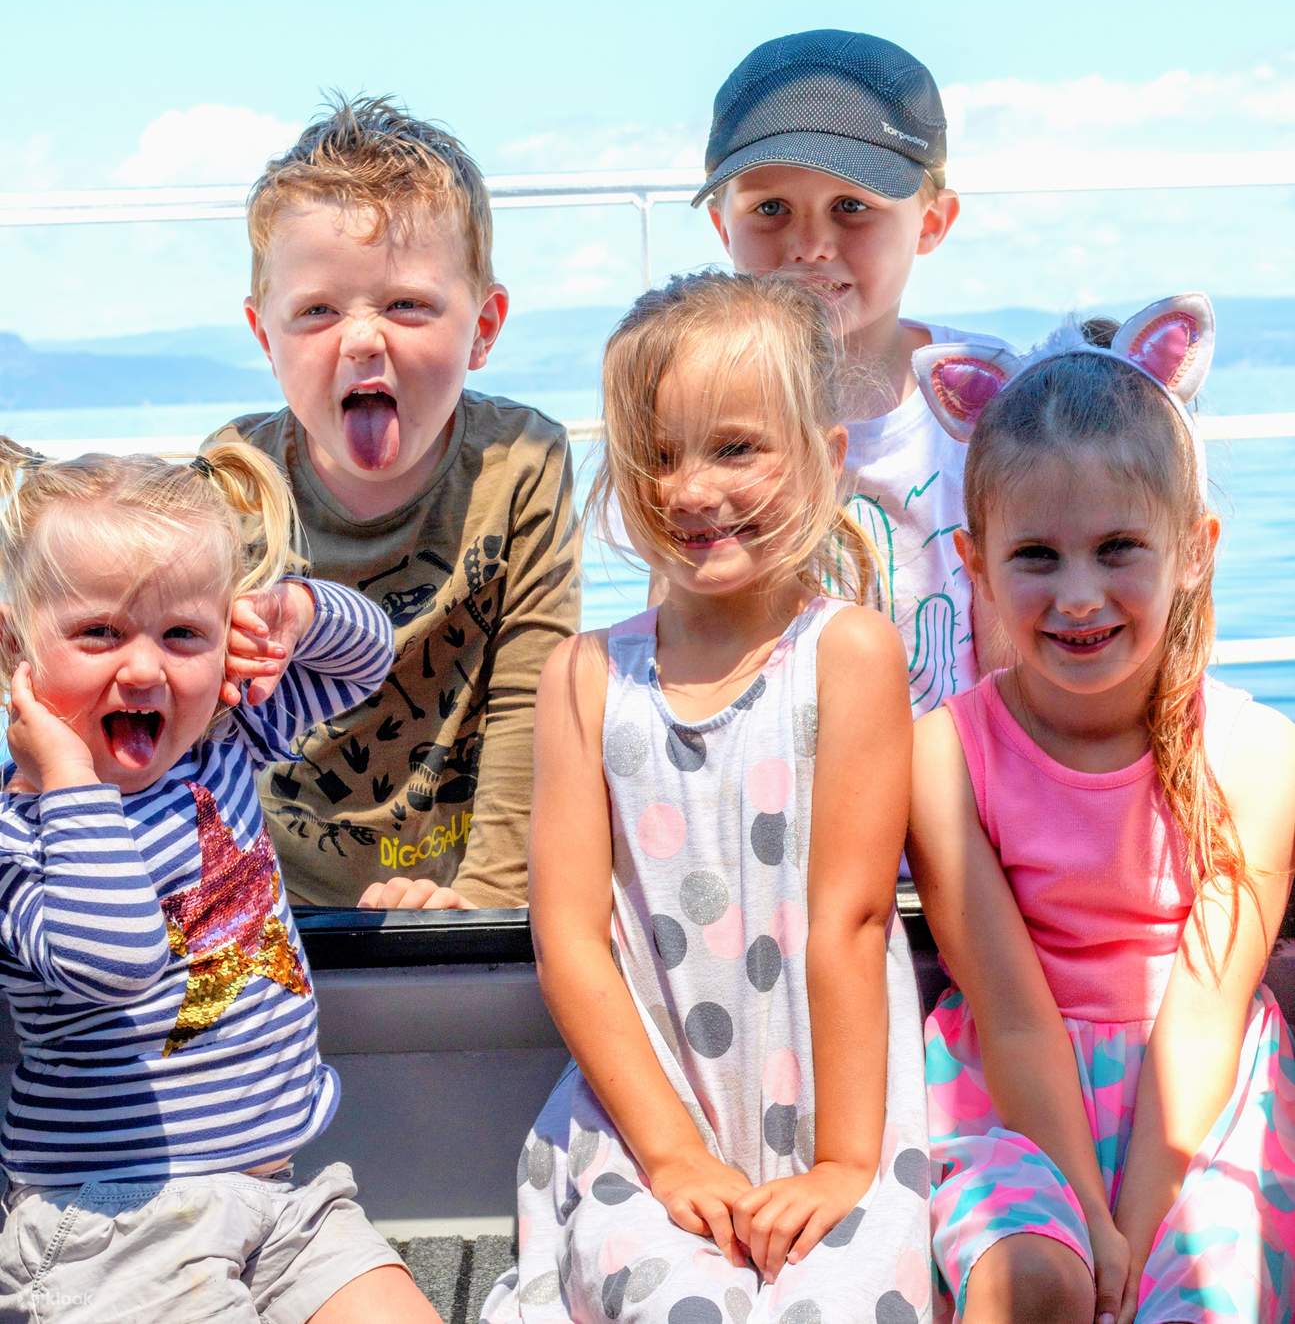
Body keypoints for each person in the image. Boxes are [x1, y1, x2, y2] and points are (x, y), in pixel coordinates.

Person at [483, 270, 932, 1323]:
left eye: (732, 448)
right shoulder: (582, 680)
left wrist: (842, 1161)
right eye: (657, 454)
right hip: (644, 1119)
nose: (688, 489)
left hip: (839, 1106)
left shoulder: (848, 654)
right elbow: (571, 941)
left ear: (823, 457)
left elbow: (849, 920)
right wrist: (675, 1155)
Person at [906, 295, 1295, 1323]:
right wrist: (1082, 1206)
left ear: (1194, 548)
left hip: (1200, 1110)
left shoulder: (1254, 754)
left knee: (1199, 1300)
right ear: (974, 562)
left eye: (1117, 546)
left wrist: (1137, 1219)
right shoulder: (944, 754)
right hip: (1011, 1099)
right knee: (1030, 1281)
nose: (1077, 594)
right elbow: (1011, 1008)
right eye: (1036, 556)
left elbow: (1204, 1013)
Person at [0, 439, 440, 1323]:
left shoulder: (220, 744)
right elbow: (117, 956)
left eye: (183, 634)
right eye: (98, 633)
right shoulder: (22, 832)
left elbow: (369, 659)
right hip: (112, 1230)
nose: (145, 667)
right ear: (15, 647)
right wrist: (66, 776)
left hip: (287, 1199)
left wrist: (296, 613)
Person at [214, 94, 580, 911]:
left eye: (408, 304)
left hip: (457, 897)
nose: (362, 338)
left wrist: (485, 901)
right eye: (315, 311)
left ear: (483, 327)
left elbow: (534, 696)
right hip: (271, 902)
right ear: (262, 336)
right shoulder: (233, 485)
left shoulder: (518, 464)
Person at [696, 28, 1000, 716]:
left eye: (852, 206)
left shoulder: (993, 400)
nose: (809, 245)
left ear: (931, 223)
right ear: (723, 225)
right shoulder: (696, 408)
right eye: (769, 208)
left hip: (956, 781)